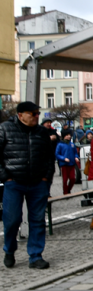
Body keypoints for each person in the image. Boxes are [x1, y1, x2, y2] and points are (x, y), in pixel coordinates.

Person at [0, 102, 54, 269]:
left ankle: (35, 255)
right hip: (14, 183)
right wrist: (6, 177)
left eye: (38, 113)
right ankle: (9, 250)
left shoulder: (42, 132)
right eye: (33, 113)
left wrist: (46, 178)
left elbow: (49, 158)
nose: (37, 116)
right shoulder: (5, 129)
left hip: (38, 183)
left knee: (37, 220)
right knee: (12, 220)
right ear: (20, 115)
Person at [55, 129, 79, 195]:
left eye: (69, 135)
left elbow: (75, 153)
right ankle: (65, 192)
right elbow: (57, 154)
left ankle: (68, 190)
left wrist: (76, 157)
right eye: (67, 135)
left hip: (71, 164)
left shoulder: (72, 144)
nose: (69, 136)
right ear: (64, 136)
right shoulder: (60, 144)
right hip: (64, 164)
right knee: (65, 180)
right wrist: (63, 158)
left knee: (73, 178)